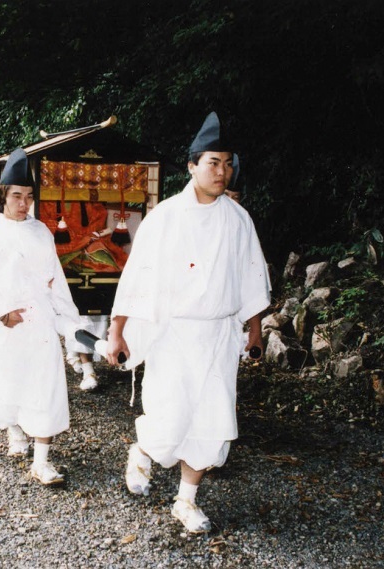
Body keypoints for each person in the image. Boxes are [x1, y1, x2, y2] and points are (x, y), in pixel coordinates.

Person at [105, 112, 271, 534]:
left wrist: (254, 329)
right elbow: (137, 276)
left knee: (213, 423)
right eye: (213, 162)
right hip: (175, 333)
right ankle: (143, 450)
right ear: (192, 165)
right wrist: (118, 330)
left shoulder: (238, 220)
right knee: (170, 418)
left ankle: (186, 500)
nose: (222, 171)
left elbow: (250, 277)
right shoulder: (166, 217)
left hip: (218, 334)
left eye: (228, 163)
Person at [0, 148, 80, 486]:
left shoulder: (42, 231)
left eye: (28, 196)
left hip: (39, 323)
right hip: (8, 326)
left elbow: (54, 277)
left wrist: (69, 321)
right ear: (2, 197)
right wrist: (1, 314)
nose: (23, 203)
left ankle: (42, 462)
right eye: (16, 196)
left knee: (47, 387)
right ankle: (14, 429)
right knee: (7, 385)